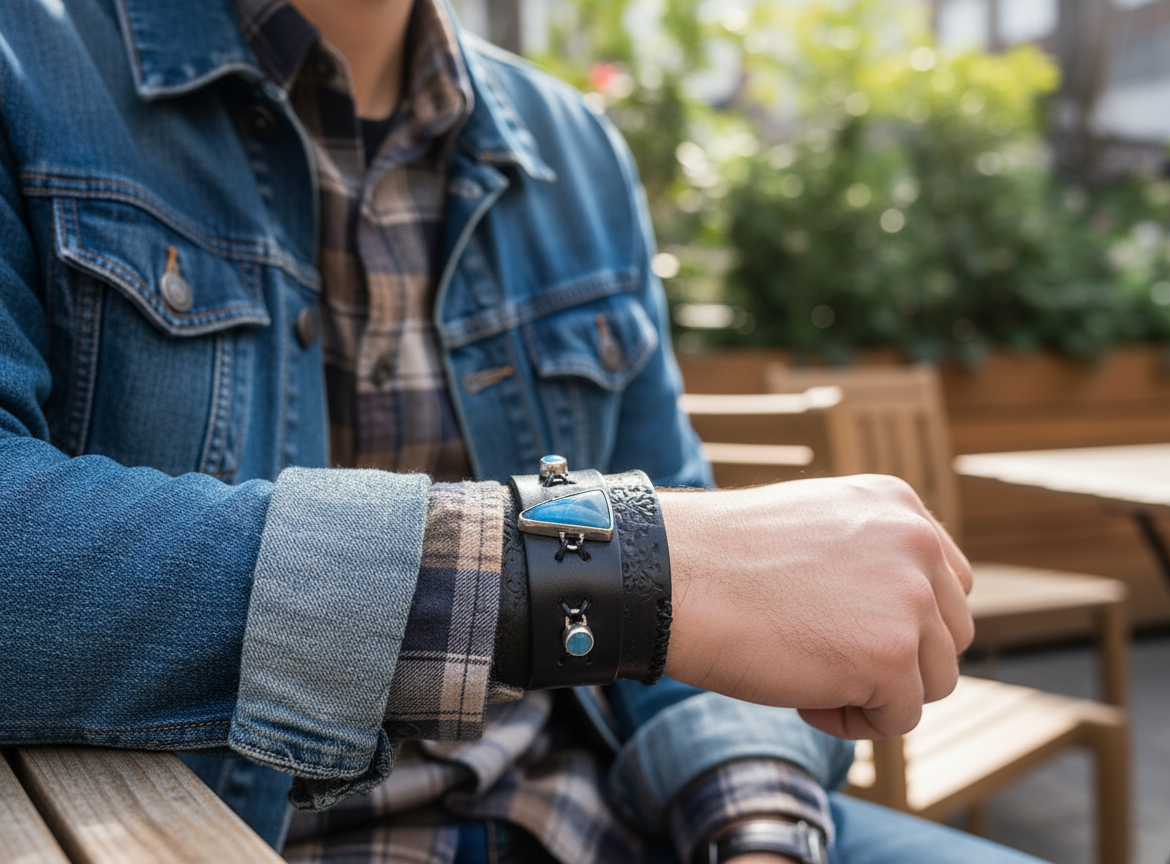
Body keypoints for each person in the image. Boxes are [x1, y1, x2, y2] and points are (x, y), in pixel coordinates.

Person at [0, 0, 1045, 861]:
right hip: (208, 833)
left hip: (607, 814)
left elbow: (699, 589)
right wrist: (602, 569)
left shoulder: (575, 151)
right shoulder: (30, 62)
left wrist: (755, 825)